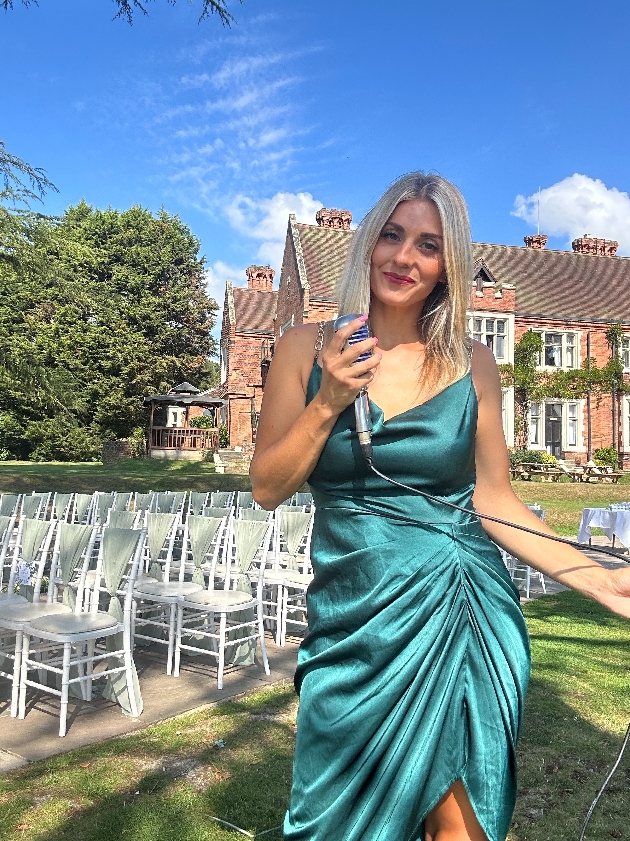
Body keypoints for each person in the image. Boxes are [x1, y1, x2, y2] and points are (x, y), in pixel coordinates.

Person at [249, 172, 630, 841]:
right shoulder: (305, 349)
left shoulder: (474, 362)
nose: (405, 257)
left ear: (448, 264)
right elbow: (267, 487)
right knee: (330, 819)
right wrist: (328, 401)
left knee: (461, 826)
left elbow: (494, 497)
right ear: (368, 243)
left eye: (428, 245)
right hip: (356, 617)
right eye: (392, 235)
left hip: (461, 605)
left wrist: (601, 580)